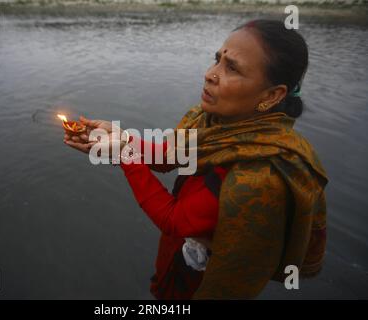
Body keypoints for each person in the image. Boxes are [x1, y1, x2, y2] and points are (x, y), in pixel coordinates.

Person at [63, 19, 328, 299]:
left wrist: (125, 156)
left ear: (272, 95)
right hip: (177, 253)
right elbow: (168, 156)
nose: (210, 74)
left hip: (200, 279)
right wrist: (123, 139)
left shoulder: (259, 175)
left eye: (232, 68)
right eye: (217, 60)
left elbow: (175, 220)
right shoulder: (212, 121)